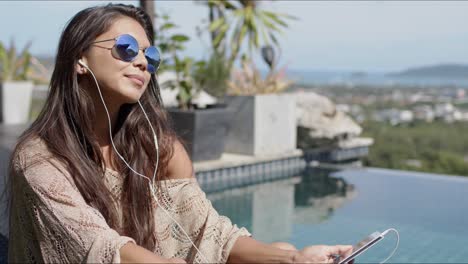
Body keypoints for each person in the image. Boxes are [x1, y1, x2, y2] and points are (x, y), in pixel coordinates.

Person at [8, 4, 352, 263]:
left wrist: (296, 259)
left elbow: (211, 233)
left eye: (150, 55)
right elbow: (105, 250)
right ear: (79, 59)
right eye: (126, 48)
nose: (142, 62)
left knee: (282, 250)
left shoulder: (157, 151)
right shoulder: (40, 159)